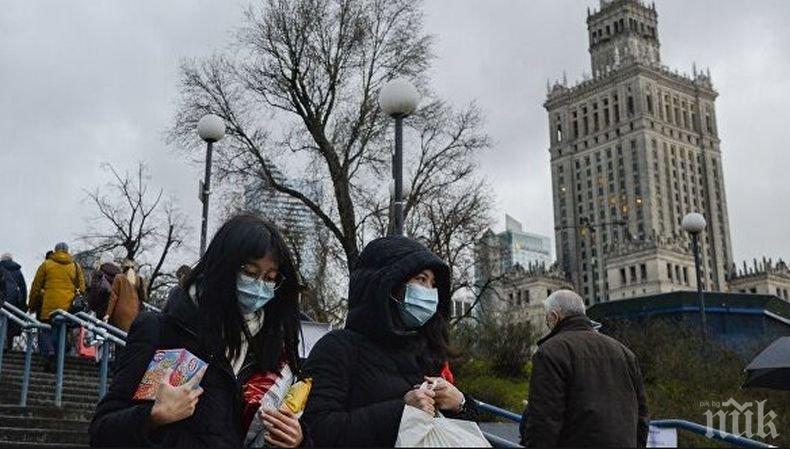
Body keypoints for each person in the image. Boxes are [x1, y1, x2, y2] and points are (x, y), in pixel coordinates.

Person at [90, 214, 307, 448]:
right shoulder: (164, 333)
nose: (258, 286)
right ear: (222, 267)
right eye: (250, 273)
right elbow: (102, 432)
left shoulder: (273, 352)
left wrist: (298, 440)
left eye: (270, 278)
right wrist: (152, 417)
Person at [302, 235, 478, 447]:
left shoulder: (426, 349)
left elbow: (456, 434)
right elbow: (315, 429)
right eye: (421, 280)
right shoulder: (338, 348)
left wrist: (461, 404)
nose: (430, 293)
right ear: (388, 285)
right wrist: (400, 411)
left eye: (433, 285)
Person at [520, 290, 649, 448]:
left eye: (547, 318)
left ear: (554, 316)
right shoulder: (624, 353)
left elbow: (544, 421)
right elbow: (642, 416)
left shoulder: (551, 351)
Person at [28, 242, 86, 371]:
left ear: (55, 251)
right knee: (61, 332)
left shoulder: (46, 265)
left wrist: (32, 305)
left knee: (46, 331)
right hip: (66, 309)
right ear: (67, 251)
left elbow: (36, 287)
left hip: (49, 306)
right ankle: (58, 360)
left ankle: (49, 354)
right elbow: (82, 288)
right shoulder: (75, 266)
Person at [104, 259, 147, 332]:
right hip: (133, 313)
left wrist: (108, 314)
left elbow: (113, 297)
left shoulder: (119, 277)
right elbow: (144, 297)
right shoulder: (138, 279)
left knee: (115, 334)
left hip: (119, 312)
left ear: (123, 268)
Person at [1, 253, 28, 350]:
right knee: (11, 322)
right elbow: (23, 288)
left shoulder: (0, 268)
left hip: (2, 300)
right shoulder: (17, 271)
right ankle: (8, 346)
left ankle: (2, 347)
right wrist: (23, 303)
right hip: (14, 302)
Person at [88, 253, 121, 320]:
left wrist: (91, 307)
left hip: (98, 308)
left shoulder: (99, 272)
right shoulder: (119, 275)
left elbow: (94, 291)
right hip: (111, 311)